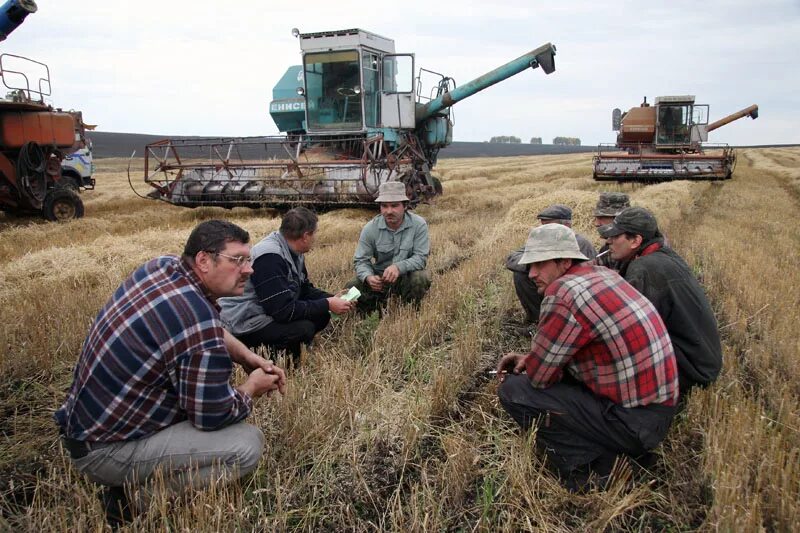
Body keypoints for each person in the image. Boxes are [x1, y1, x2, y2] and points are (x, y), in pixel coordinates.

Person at [54, 220, 287, 527]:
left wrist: (245, 354)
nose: (249, 269)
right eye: (238, 260)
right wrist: (252, 387)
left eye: (249, 259)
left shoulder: (162, 267)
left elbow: (205, 326)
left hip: (85, 427)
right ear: (203, 260)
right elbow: (213, 415)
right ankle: (131, 501)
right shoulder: (197, 325)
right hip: (104, 452)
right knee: (246, 445)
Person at [496, 224, 678, 491]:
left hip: (633, 425)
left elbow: (539, 378)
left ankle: (594, 468)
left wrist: (534, 363)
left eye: (539, 264)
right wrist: (533, 357)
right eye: (530, 266)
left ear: (565, 261)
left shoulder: (562, 293)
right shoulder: (603, 274)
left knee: (514, 391)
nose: (531, 274)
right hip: (659, 412)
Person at [599, 207, 722, 394]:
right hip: (701, 360)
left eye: (615, 236)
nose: (608, 241)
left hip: (690, 370)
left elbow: (629, 331)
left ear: (635, 241)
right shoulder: (663, 255)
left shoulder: (644, 268)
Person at [219, 207, 355, 361]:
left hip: (266, 311)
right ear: (305, 236)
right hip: (244, 321)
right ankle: (266, 358)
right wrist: (327, 303)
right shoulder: (270, 258)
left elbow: (303, 289)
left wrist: (332, 299)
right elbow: (282, 311)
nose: (315, 238)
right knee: (303, 329)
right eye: (315, 233)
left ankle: (288, 352)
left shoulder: (293, 251)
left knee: (322, 313)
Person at [505, 204, 596, 328]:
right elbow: (512, 258)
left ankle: (559, 323)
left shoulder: (580, 243)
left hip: (573, 293)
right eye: (543, 225)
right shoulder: (543, 241)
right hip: (551, 285)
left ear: (567, 226)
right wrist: (535, 265)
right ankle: (537, 320)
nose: (544, 230)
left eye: (550, 226)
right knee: (520, 275)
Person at [347, 181, 431, 312]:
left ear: (405, 206)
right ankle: (371, 312)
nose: (389, 211)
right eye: (384, 206)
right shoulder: (370, 228)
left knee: (421, 277)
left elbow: (420, 258)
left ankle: (411, 311)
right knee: (352, 286)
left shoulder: (419, 225)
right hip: (380, 280)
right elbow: (361, 260)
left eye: (394, 205)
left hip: (405, 277)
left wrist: (398, 267)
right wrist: (368, 277)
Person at [593, 192, 630, 270]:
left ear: (618, 218)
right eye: (596, 218)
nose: (596, 223)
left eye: (601, 217)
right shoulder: (606, 251)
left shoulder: (642, 253)